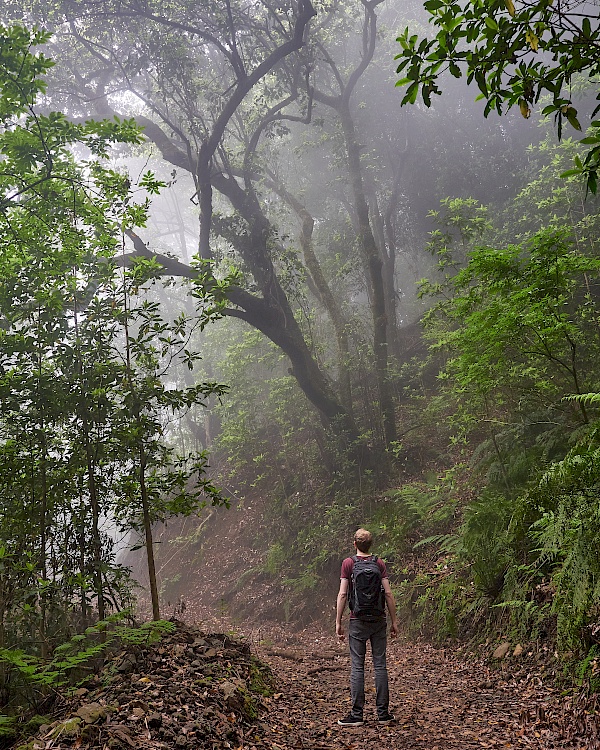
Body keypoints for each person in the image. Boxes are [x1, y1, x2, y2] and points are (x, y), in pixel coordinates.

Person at [335, 528, 398, 727]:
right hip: (378, 620)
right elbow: (388, 594)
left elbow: (343, 594)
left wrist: (338, 622)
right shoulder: (379, 563)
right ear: (371, 545)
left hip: (357, 620)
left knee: (357, 667)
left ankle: (356, 715)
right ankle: (383, 714)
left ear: (355, 544)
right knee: (380, 665)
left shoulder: (349, 563)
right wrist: (394, 621)